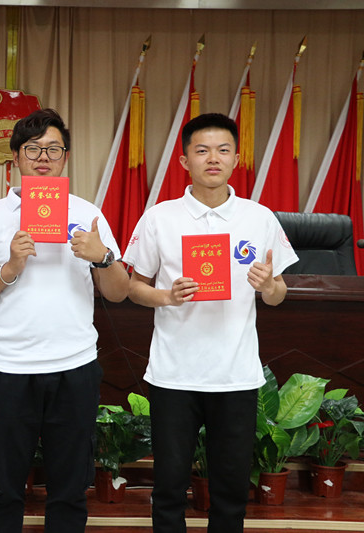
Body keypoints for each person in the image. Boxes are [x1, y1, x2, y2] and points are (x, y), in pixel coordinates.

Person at [123, 113, 299, 533]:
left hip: (235, 374)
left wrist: (269, 285)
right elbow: (133, 288)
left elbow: (279, 294)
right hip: (174, 374)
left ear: (237, 158)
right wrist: (166, 297)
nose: (213, 159)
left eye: (222, 150)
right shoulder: (160, 217)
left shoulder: (259, 218)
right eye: (202, 150)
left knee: (231, 489)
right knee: (169, 486)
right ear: (185, 161)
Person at [0, 108, 130, 532]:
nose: (43, 157)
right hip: (9, 368)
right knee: (3, 488)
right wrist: (10, 268)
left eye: (53, 149)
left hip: (74, 367)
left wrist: (103, 257)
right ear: (16, 157)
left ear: (65, 158)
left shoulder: (87, 214)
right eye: (33, 149)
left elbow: (118, 292)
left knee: (70, 489)